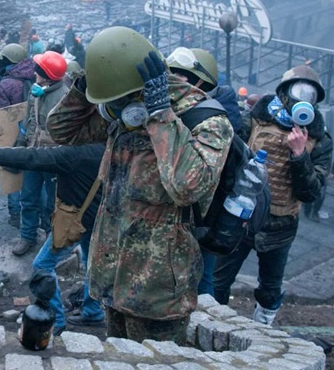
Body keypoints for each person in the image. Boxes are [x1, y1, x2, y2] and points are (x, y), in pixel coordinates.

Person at [46, 27, 233, 343]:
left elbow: (186, 186)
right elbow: (61, 130)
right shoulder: (125, 109)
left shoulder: (207, 121)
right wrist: (89, 83)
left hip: (157, 294)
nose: (115, 109)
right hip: (112, 280)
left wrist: (161, 114)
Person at [213, 65, 333, 325]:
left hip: (281, 226)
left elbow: (311, 192)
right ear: (284, 92)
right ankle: (215, 326)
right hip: (241, 220)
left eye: (310, 95)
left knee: (269, 289)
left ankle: (262, 331)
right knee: (219, 281)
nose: (304, 99)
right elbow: (228, 160)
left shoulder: (319, 140)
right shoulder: (256, 119)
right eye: (299, 90)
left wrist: (300, 156)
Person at [0, 143, 106, 336]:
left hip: (76, 220)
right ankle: (93, 312)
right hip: (101, 217)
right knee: (92, 265)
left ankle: (56, 320)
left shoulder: (77, 153)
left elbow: (34, 156)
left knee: (42, 265)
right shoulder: (111, 146)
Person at [167, 46, 243, 297]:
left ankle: (206, 322)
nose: (175, 80)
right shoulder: (192, 110)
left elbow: (196, 176)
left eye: (181, 75)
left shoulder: (212, 119)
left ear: (200, 81)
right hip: (197, 209)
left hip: (205, 211)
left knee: (202, 278)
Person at [14, 51, 68, 256]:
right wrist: (21, 143)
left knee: (52, 200)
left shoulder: (64, 96)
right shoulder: (35, 92)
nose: (34, 72)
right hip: (33, 151)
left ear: (45, 74)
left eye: (38, 69)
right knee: (28, 195)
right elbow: (29, 120)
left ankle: (50, 234)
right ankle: (27, 235)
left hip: (53, 155)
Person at [0, 43, 35, 228]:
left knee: (12, 177)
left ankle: (15, 216)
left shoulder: (6, 85)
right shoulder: (35, 78)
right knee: (32, 176)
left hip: (10, 138)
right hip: (32, 136)